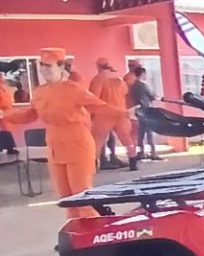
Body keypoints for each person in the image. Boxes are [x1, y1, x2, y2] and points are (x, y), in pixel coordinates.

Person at [0, 48, 126, 217]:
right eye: (41, 65)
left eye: (48, 65)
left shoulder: (74, 90)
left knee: (81, 198)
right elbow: (30, 115)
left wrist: (126, 114)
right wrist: (5, 115)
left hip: (78, 146)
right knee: (66, 200)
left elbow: (100, 106)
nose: (43, 69)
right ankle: (75, 230)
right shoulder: (40, 92)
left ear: (61, 67)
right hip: (55, 147)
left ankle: (95, 231)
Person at [88, 57, 136, 170]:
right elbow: (125, 92)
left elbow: (94, 98)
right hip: (121, 114)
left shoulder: (98, 79)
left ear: (99, 67)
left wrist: (91, 114)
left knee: (97, 140)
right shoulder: (119, 79)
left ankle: (93, 166)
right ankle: (133, 163)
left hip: (104, 114)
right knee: (126, 138)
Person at [125, 64, 160, 162]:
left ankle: (141, 152)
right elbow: (152, 96)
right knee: (149, 132)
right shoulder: (144, 85)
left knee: (140, 133)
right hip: (146, 110)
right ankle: (153, 153)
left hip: (137, 110)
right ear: (143, 74)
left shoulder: (133, 86)